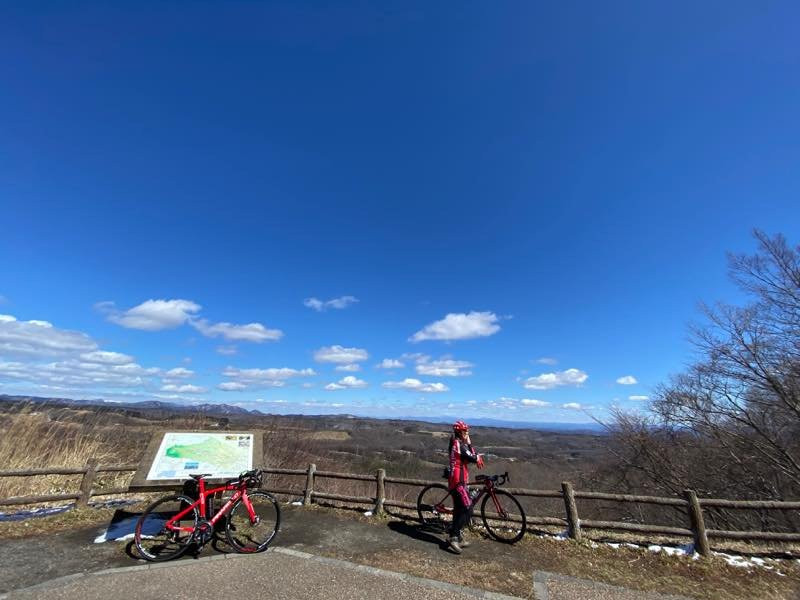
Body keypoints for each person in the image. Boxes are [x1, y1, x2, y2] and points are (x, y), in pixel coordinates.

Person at [446, 420, 484, 554]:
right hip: (458, 482)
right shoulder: (458, 444)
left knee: (459, 509)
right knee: (467, 508)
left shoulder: (457, 443)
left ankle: (456, 535)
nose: (467, 433)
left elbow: (469, 455)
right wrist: (477, 455)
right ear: (460, 432)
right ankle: (454, 537)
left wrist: (470, 445)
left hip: (458, 480)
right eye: (465, 431)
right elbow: (471, 457)